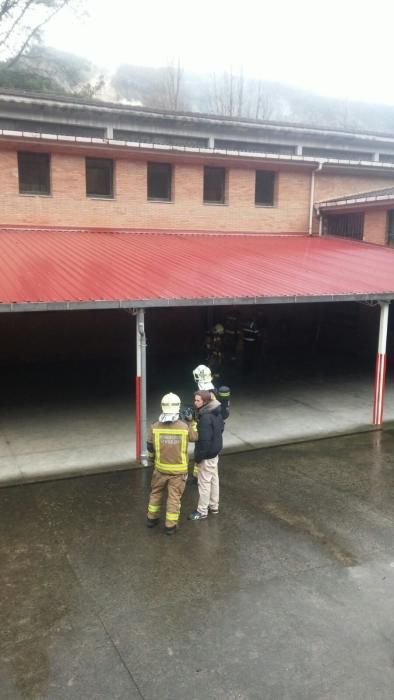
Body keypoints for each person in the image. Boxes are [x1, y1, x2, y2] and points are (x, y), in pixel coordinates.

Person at [146, 392, 197, 535]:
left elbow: (150, 448)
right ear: (178, 407)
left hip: (160, 468)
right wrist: (191, 421)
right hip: (178, 471)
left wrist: (152, 461)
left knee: (155, 493)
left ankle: (151, 519)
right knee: (174, 498)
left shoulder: (154, 426)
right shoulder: (184, 427)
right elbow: (195, 437)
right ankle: (170, 526)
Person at [188, 389, 224, 521]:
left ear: (205, 402)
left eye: (198, 400)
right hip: (215, 453)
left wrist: (198, 458)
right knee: (214, 480)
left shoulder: (205, 418)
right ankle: (214, 507)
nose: (195, 402)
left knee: (204, 484)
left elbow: (204, 441)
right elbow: (221, 429)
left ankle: (202, 511)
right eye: (195, 400)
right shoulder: (216, 412)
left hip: (207, 456)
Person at [190, 364, 230, 483]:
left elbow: (207, 410)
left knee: (203, 448)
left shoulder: (207, 393)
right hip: (211, 425)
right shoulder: (212, 389)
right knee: (203, 448)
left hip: (207, 426)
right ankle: (198, 476)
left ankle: (201, 478)